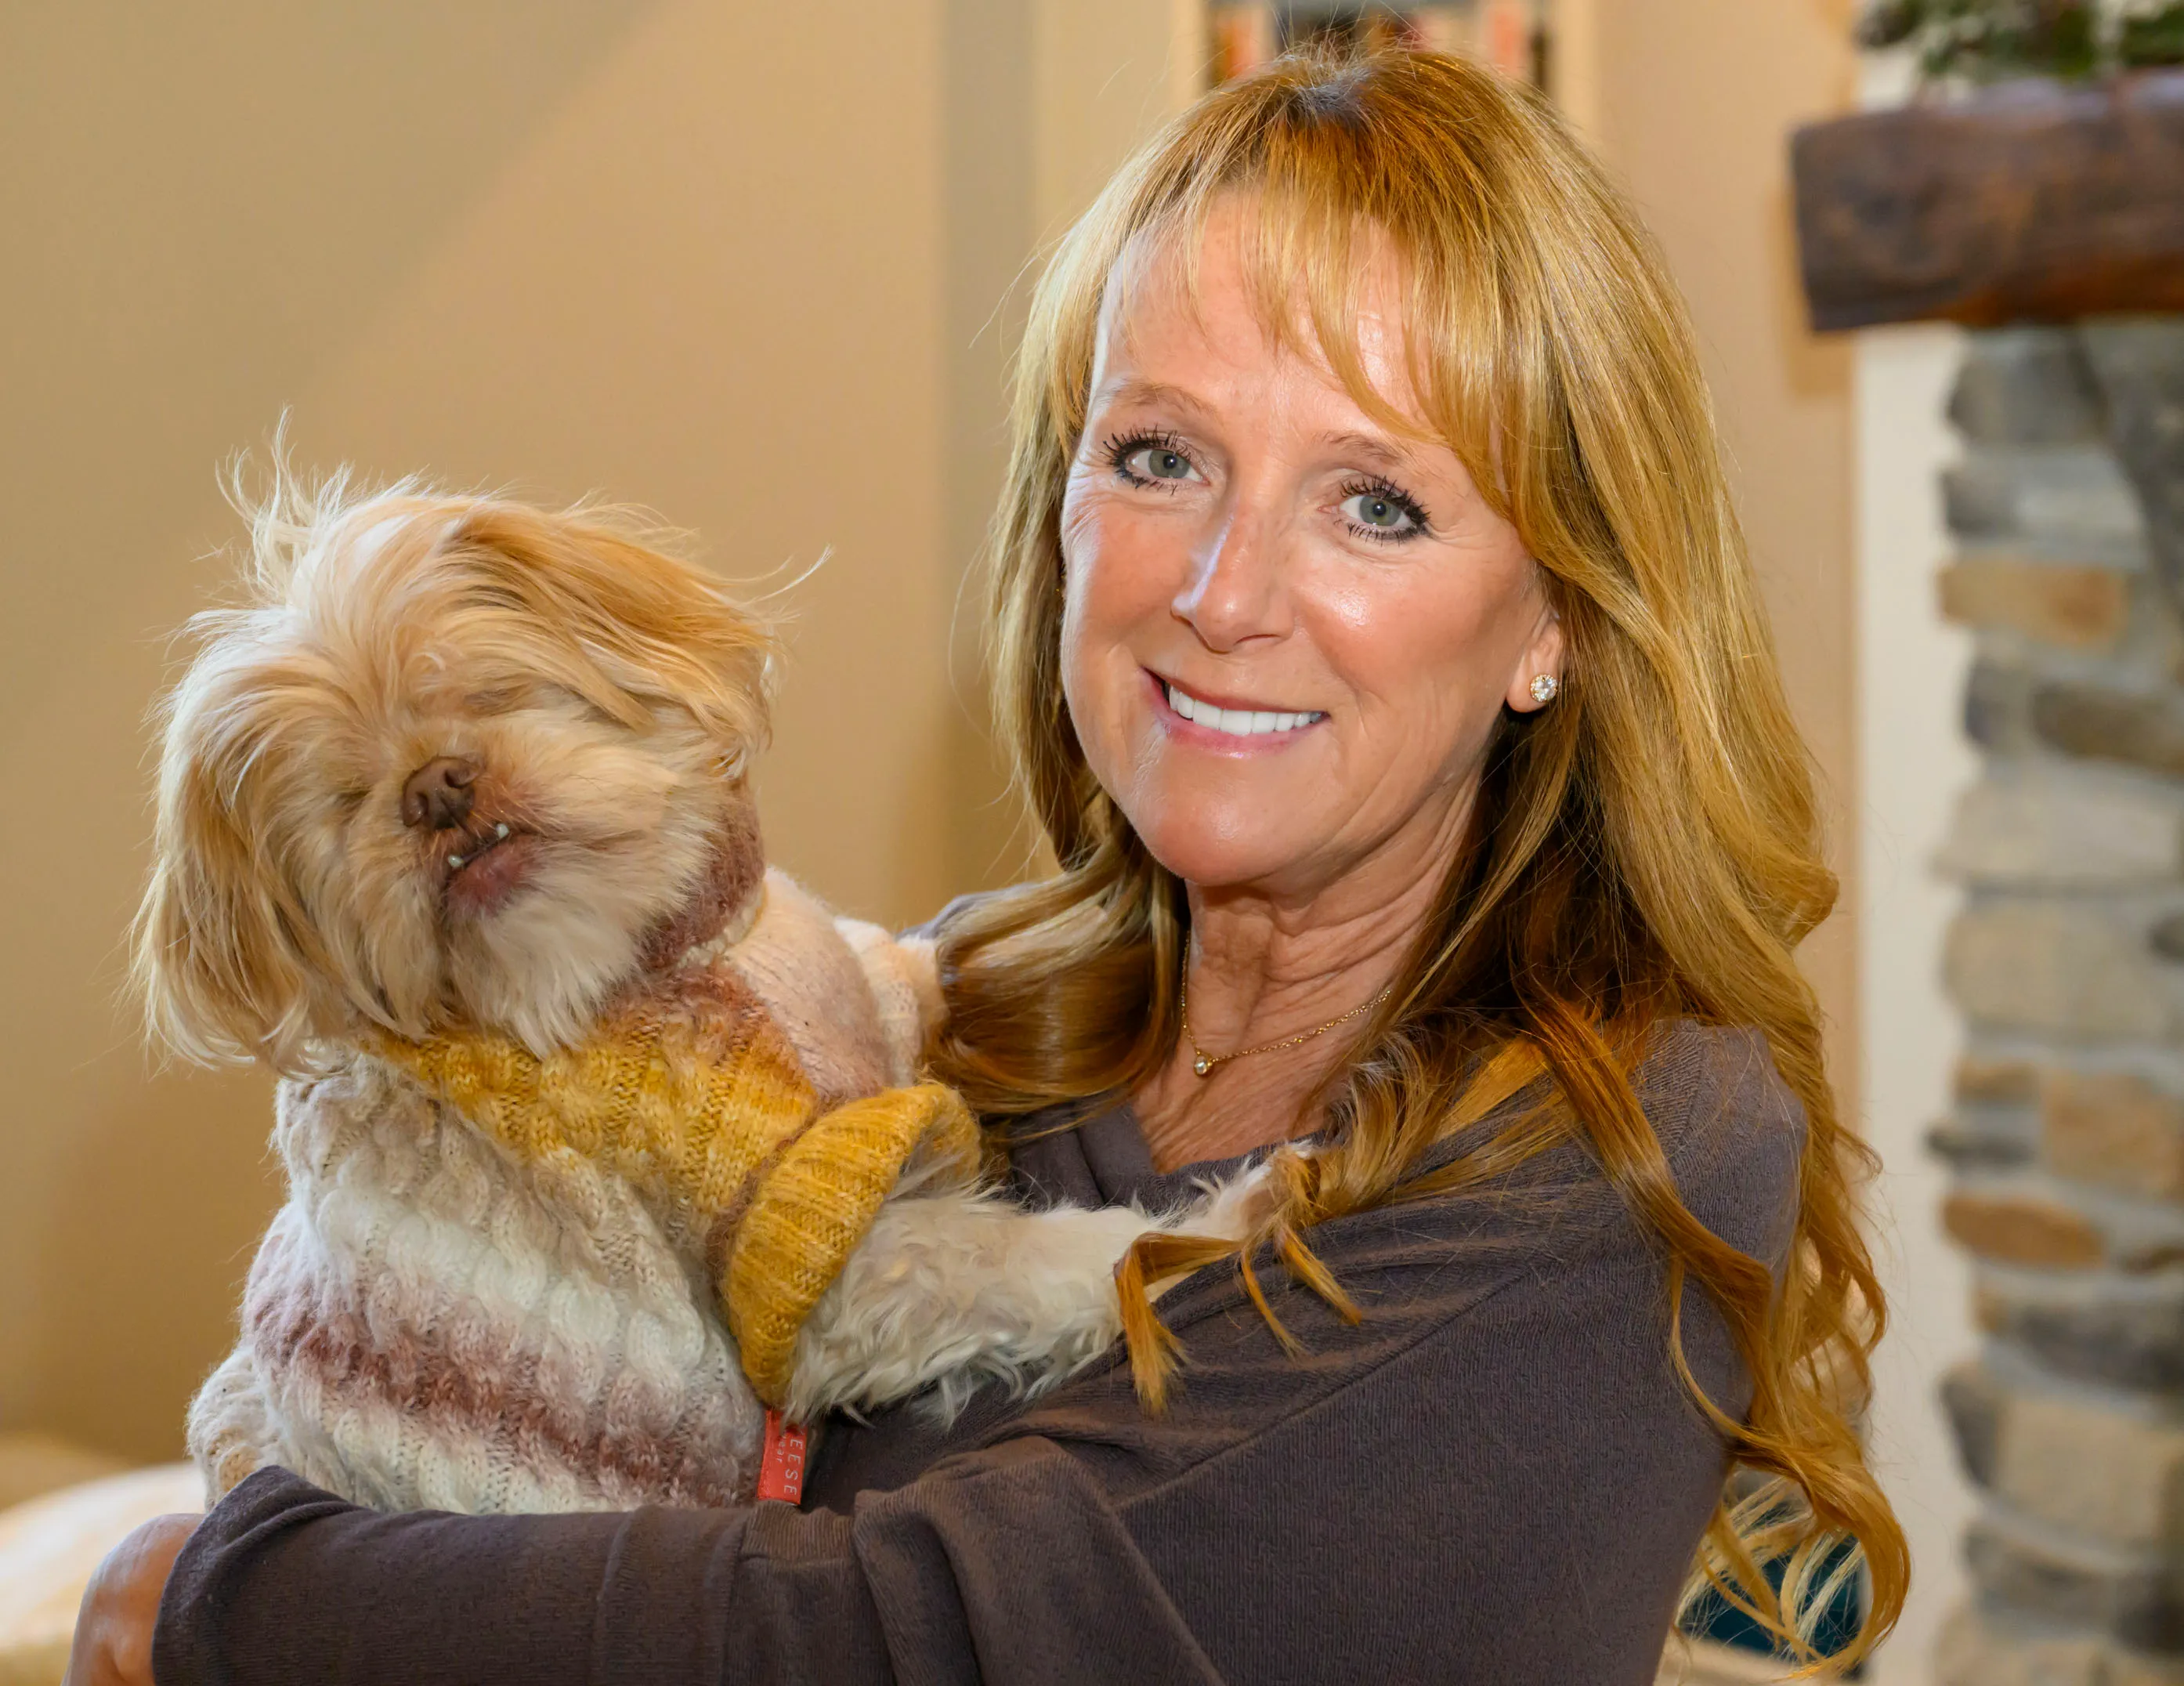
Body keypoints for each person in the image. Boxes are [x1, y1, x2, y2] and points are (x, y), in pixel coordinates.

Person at [68, 45, 1907, 1685]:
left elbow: (935, 1628)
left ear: (1554, 623)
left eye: (1375, 500)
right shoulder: (953, 1006)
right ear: (1063, 504)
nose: (1221, 591)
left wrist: (219, 1591)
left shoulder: (1628, 1138)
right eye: (1161, 454)